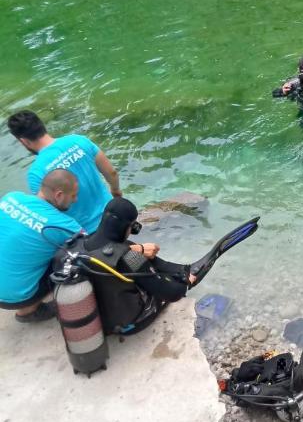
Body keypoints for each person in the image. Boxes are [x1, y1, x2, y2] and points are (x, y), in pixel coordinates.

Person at [55, 198, 258, 335]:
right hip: (127, 325)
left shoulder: (77, 245)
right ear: (129, 227)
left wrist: (140, 250)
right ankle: (185, 273)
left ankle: (182, 269)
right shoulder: (129, 257)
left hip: (94, 319)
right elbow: (172, 294)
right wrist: (183, 284)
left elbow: (121, 251)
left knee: (137, 255)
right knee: (174, 285)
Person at [7, 110, 121, 234]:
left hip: (88, 233)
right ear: (42, 126)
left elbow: (50, 214)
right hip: (114, 214)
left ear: (24, 141)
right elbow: (111, 172)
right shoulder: (79, 140)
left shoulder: (36, 173)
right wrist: (115, 190)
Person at [0, 169, 81, 322]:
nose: (75, 200)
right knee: (71, 256)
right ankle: (28, 311)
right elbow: (92, 248)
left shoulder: (10, 198)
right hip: (15, 298)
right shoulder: (65, 225)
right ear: (59, 195)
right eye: (73, 195)